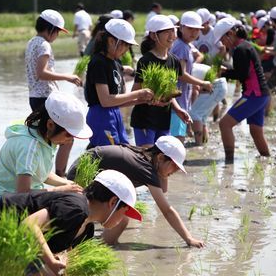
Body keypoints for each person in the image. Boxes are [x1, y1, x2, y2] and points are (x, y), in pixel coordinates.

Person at [0, 170, 142, 276]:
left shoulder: (87, 230)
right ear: (113, 202)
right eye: (125, 212)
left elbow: (66, 252)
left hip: (20, 237)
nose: (124, 218)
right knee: (32, 271)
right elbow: (29, 225)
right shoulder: (76, 207)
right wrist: (51, 262)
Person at [66, 136, 204, 247]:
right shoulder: (145, 169)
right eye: (174, 165)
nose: (175, 171)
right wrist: (189, 238)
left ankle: (95, 245)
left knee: (118, 216)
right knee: (118, 217)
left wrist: (165, 172)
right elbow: (167, 210)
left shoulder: (146, 157)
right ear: (160, 157)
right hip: (81, 174)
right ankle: (94, 246)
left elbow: (163, 189)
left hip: (87, 169)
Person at [0, 91, 92, 203]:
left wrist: (68, 183)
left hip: (25, 193)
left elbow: (40, 174)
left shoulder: (45, 137)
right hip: (4, 200)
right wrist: (60, 190)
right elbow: (22, 193)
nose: (70, 140)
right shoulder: (29, 147)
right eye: (68, 134)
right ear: (50, 125)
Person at [25, 9, 82, 176]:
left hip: (35, 97)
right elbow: (41, 73)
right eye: (57, 31)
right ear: (50, 29)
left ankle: (43, 173)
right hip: (45, 99)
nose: (57, 35)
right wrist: (68, 77)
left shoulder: (31, 42)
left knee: (46, 138)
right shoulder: (43, 44)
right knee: (67, 137)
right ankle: (59, 175)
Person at [85, 18, 153, 148]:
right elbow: (105, 100)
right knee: (108, 156)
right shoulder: (98, 63)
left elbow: (116, 101)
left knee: (122, 150)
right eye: (125, 45)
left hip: (114, 114)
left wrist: (141, 100)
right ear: (111, 41)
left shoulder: (115, 62)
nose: (127, 50)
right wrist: (139, 93)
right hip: (101, 117)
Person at [214, 18, 271, 163]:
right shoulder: (245, 46)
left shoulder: (240, 49)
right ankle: (267, 160)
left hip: (253, 95)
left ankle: (229, 163)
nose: (222, 43)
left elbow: (242, 74)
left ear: (231, 33)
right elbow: (243, 71)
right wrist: (227, 71)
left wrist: (224, 73)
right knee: (256, 131)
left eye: (222, 38)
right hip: (261, 95)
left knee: (224, 124)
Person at [130, 15, 192, 147]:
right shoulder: (145, 61)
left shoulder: (174, 60)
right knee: (146, 161)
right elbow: (134, 92)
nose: (171, 35)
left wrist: (179, 109)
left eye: (173, 31)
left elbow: (170, 91)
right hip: (144, 120)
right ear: (154, 36)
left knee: (161, 160)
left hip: (164, 120)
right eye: (166, 32)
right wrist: (152, 99)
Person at [170, 11, 213, 143]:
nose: (194, 33)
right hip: (177, 100)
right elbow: (181, 75)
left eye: (197, 30)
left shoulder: (186, 45)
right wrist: (203, 83)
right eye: (190, 29)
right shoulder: (181, 47)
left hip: (181, 99)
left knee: (177, 138)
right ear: (181, 27)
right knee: (177, 140)